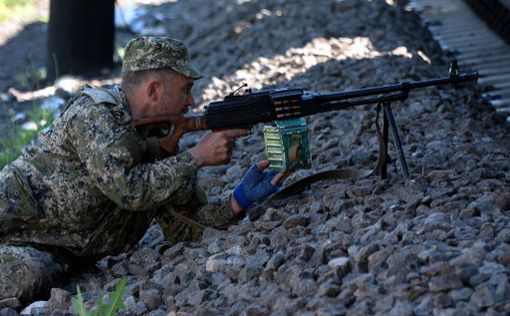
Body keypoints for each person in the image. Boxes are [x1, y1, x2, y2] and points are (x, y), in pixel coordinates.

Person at [0, 37, 285, 303]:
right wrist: (196, 157)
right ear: (153, 90)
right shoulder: (93, 115)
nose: (192, 102)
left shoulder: (157, 136)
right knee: (23, 278)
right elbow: (130, 190)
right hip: (10, 226)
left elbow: (183, 227)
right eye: (186, 90)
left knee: (32, 275)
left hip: (47, 250)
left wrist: (239, 201)